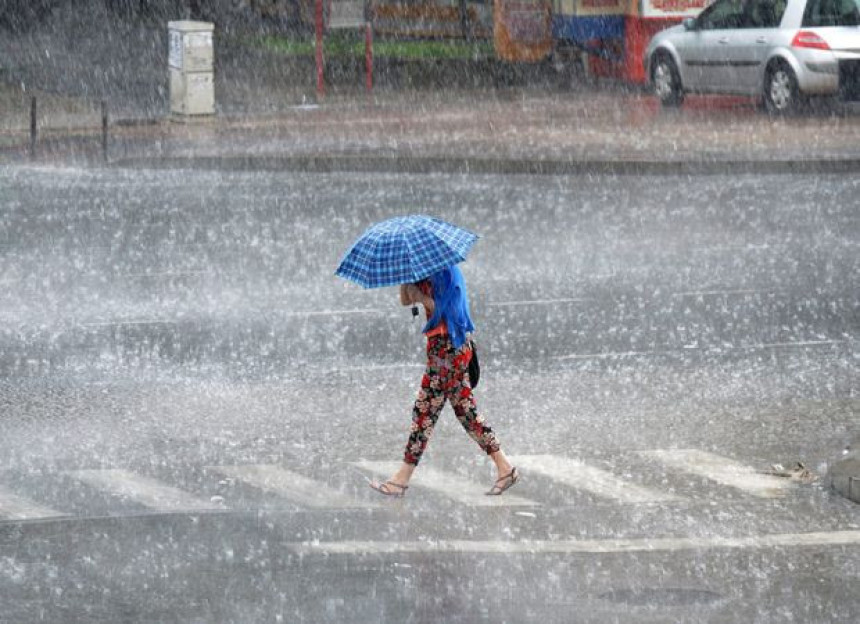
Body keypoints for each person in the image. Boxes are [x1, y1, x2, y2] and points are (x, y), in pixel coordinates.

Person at [369, 264, 519, 498]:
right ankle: (504, 468)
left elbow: (449, 312)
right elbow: (405, 301)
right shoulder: (424, 270)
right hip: (440, 350)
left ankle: (401, 479)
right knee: (455, 413)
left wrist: (420, 296)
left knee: (428, 413)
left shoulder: (447, 273)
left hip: (450, 348)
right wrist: (405, 279)